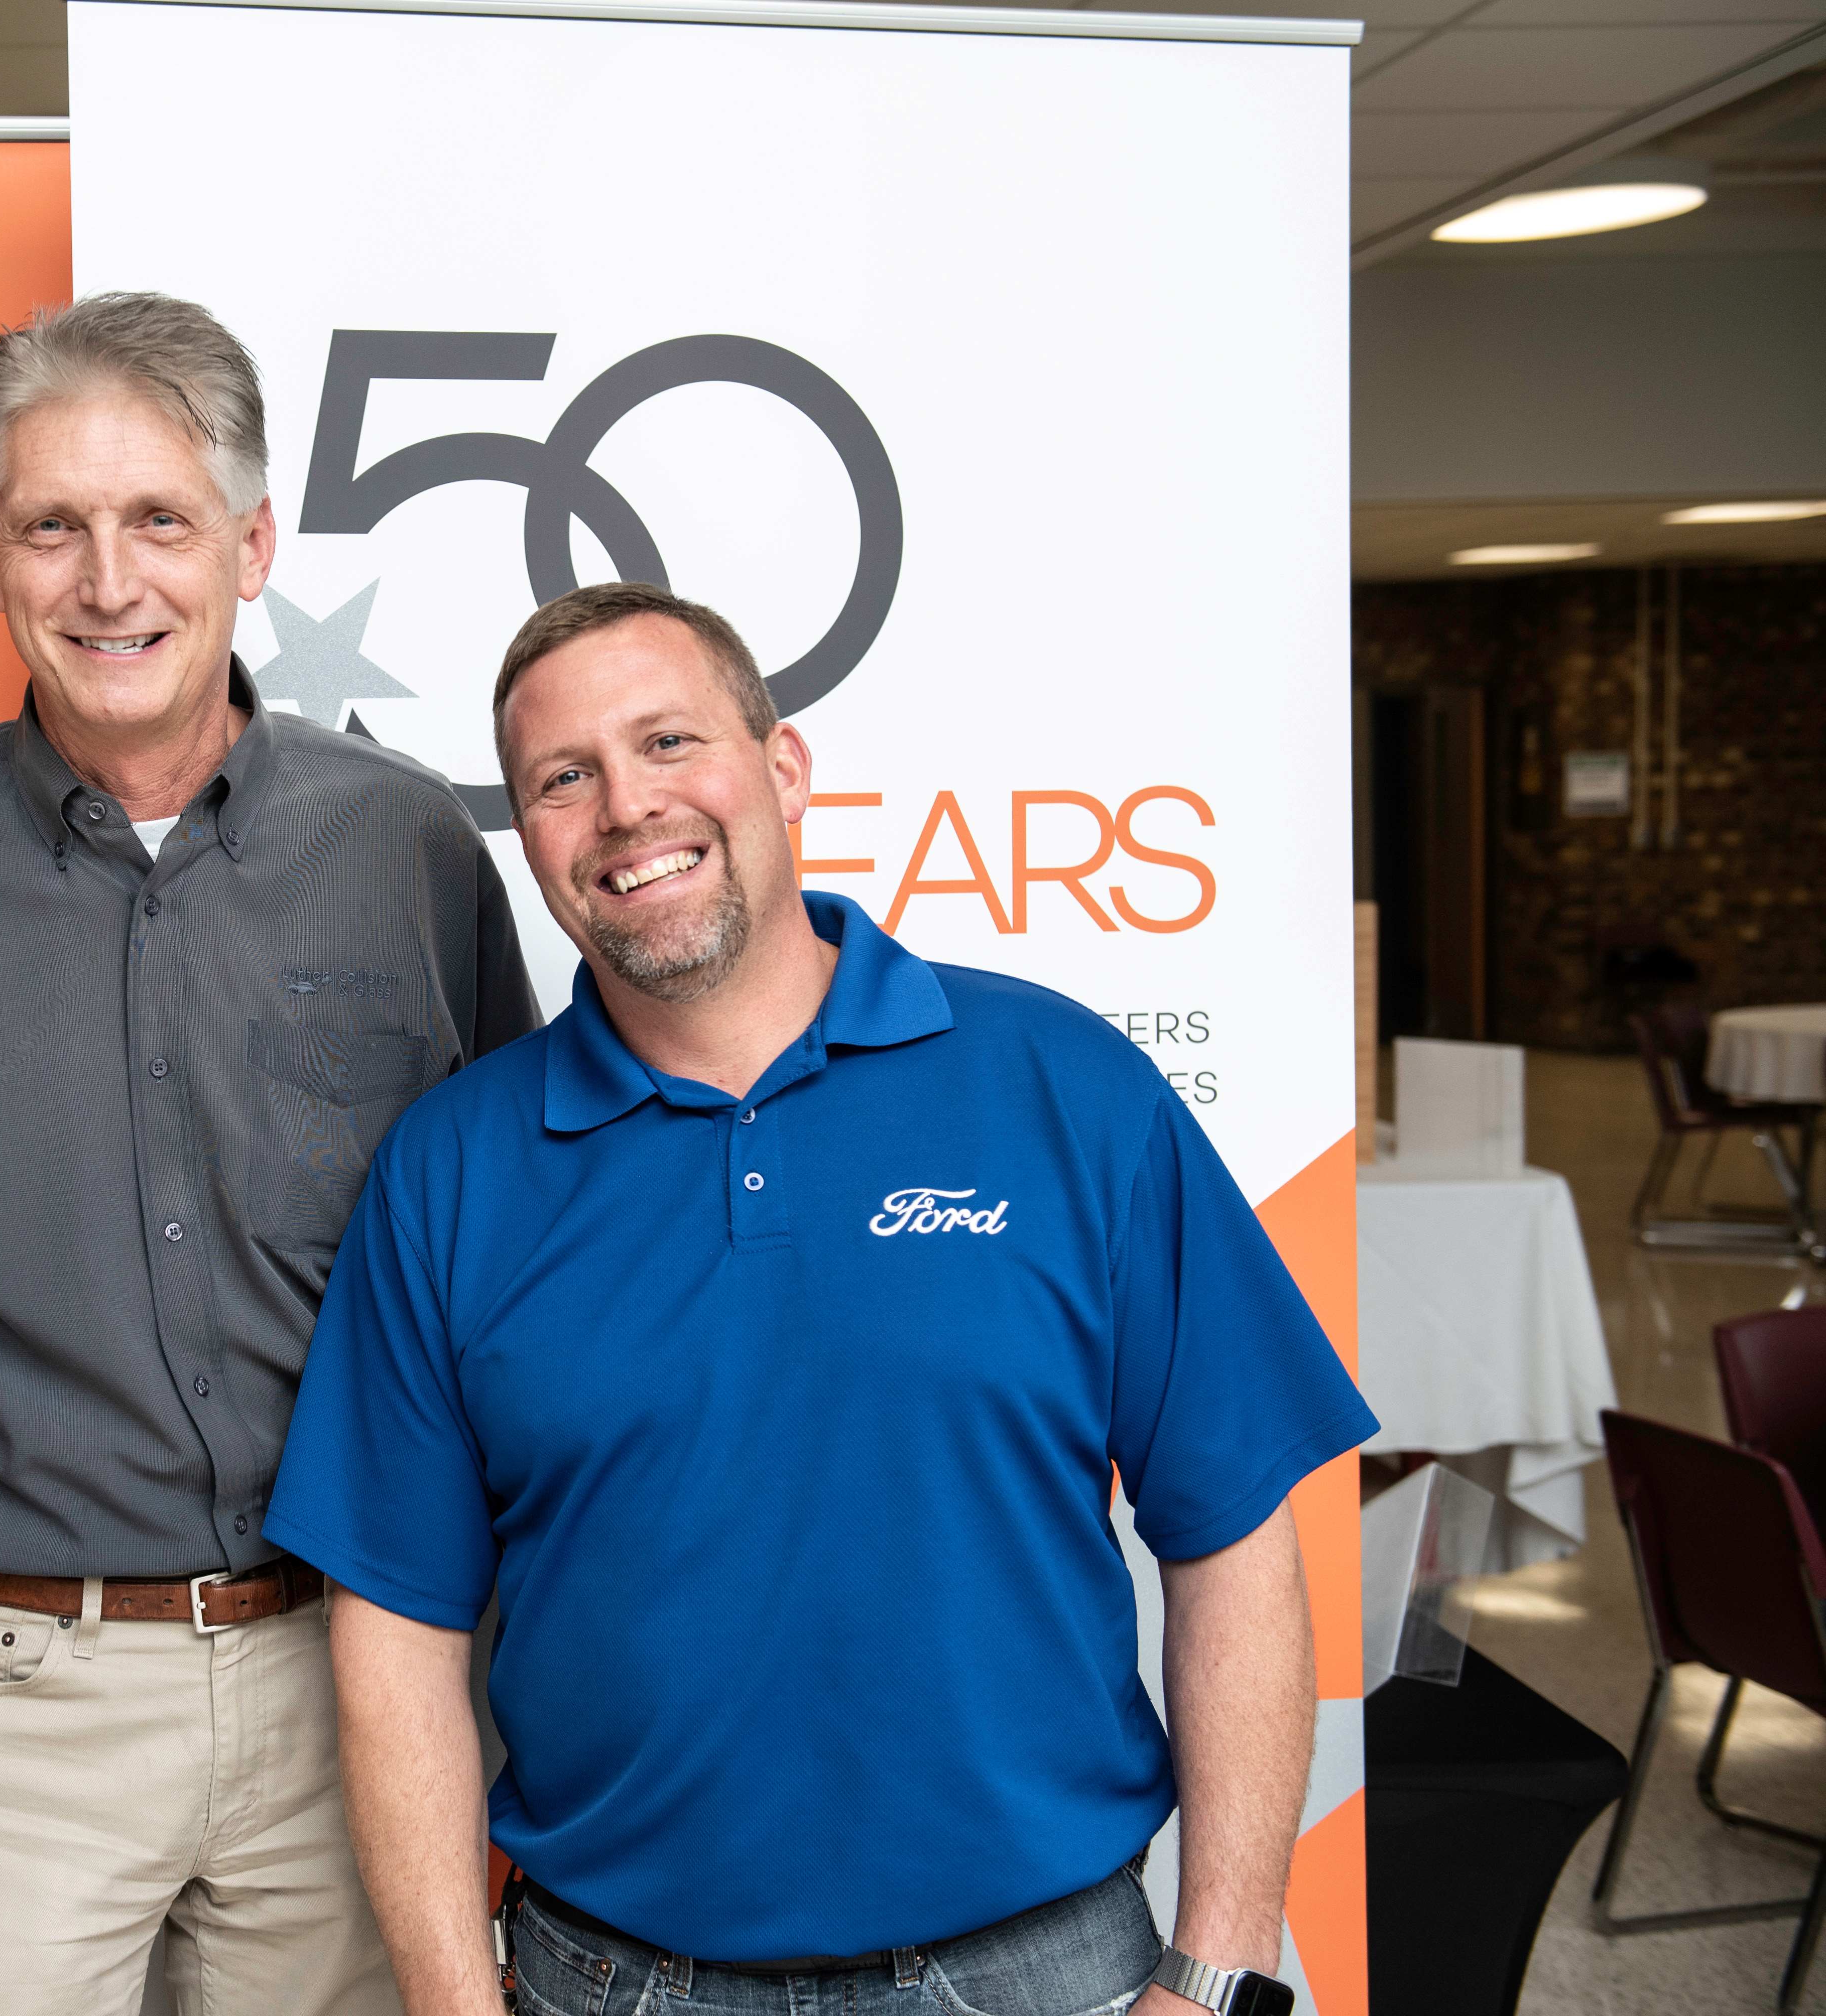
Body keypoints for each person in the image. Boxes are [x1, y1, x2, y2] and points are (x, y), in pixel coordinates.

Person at [269, 583, 1379, 2016]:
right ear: (529, 836)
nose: (625, 808)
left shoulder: (1066, 1089)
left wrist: (1218, 1966)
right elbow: (399, 1628)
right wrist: (448, 2000)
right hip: (610, 1982)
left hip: (1047, 1976)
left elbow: (1231, 1530)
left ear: (783, 771)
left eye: (670, 742)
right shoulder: (453, 1169)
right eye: (564, 777)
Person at [0, 291, 538, 2015]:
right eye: (54, 526)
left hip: (358, 1679)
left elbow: (524, 1251)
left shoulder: (408, 852)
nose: (109, 582)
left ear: (252, 546)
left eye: (159, 520)